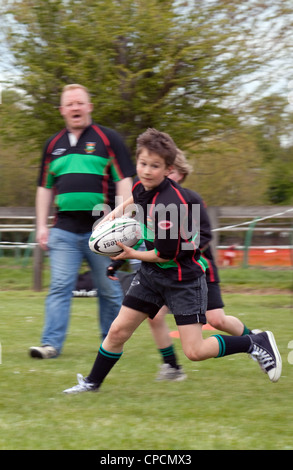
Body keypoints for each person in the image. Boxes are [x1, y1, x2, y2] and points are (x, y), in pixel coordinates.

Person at [63, 128, 282, 393]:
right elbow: (136, 197)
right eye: (143, 163)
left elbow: (164, 254)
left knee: (195, 350)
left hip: (182, 280)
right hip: (151, 276)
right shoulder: (143, 186)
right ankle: (91, 383)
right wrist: (115, 215)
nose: (146, 171)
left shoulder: (171, 205)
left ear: (168, 169)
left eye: (155, 166)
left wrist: (130, 254)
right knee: (118, 331)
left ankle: (253, 342)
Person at [107, 150, 259, 381]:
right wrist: (117, 263)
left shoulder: (190, 199)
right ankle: (172, 367)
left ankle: (255, 342)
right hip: (161, 269)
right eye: (145, 165)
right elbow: (139, 236)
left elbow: (205, 237)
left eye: (170, 171)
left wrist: (178, 249)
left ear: (177, 173)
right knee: (154, 316)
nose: (152, 173)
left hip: (197, 269)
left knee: (216, 320)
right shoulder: (150, 197)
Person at [29, 84, 135, 359]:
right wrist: (42, 226)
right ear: (62, 110)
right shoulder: (52, 145)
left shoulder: (109, 139)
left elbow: (124, 180)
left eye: (80, 103)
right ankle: (50, 345)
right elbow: (44, 187)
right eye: (70, 104)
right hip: (63, 230)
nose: (75, 108)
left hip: (101, 230)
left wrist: (121, 223)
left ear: (89, 107)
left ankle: (110, 344)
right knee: (59, 286)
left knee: (109, 290)